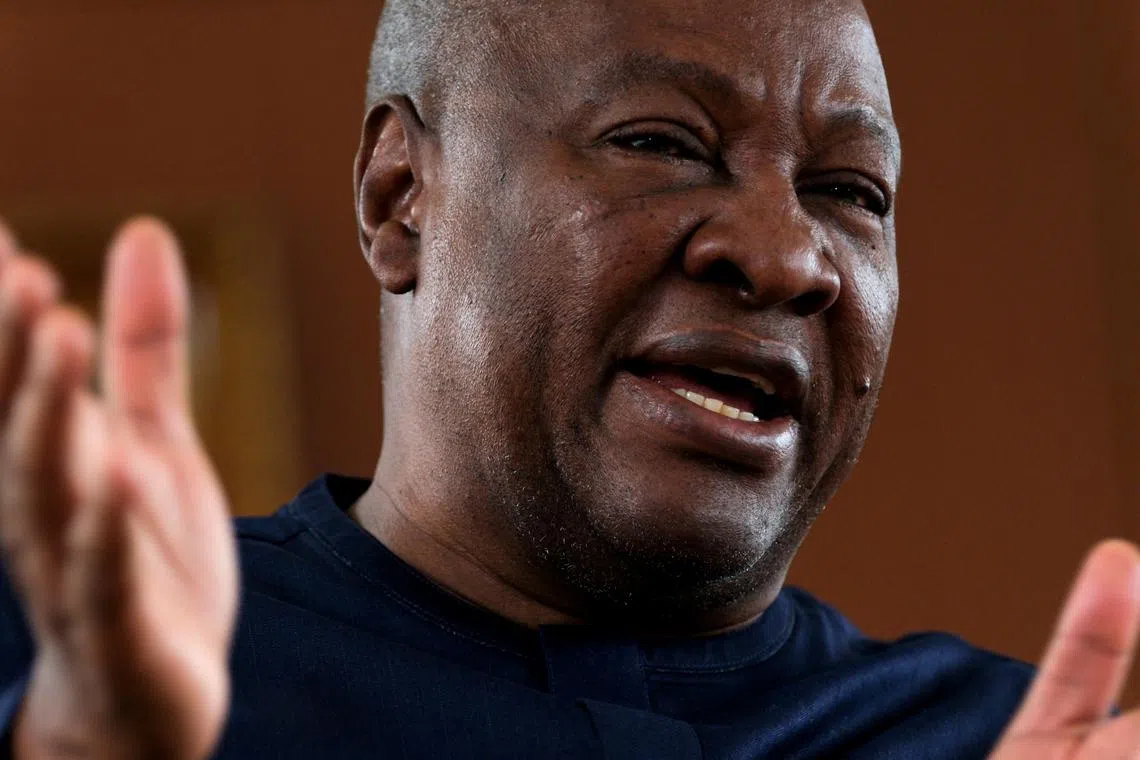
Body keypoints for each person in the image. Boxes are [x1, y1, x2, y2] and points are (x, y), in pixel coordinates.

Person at [1, 0, 1139, 757]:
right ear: (402, 197)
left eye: (854, 193)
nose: (790, 255)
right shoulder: (79, 658)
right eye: (663, 143)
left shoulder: (1012, 737)